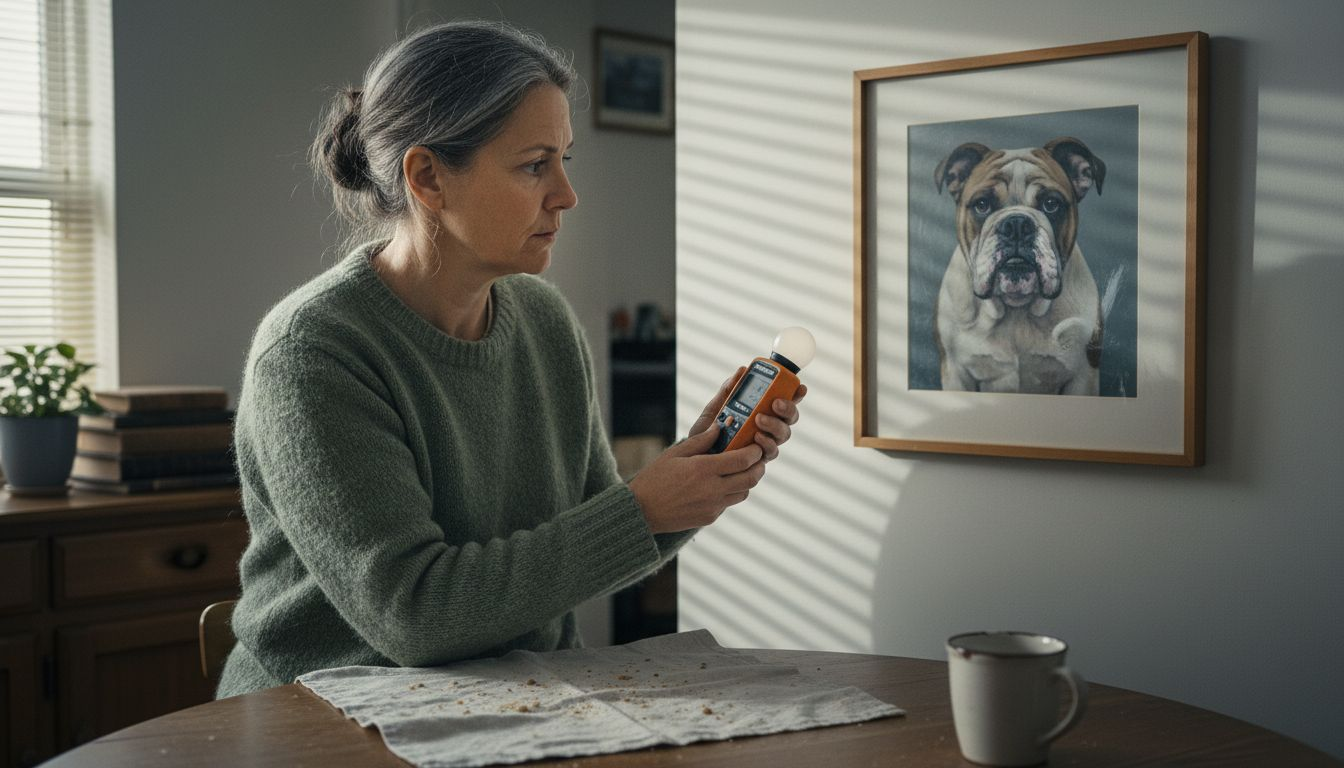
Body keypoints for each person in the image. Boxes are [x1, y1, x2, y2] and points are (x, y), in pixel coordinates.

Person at [216, 20, 805, 698]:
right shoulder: (312, 354)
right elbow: (413, 616)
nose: (566, 195)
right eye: (534, 165)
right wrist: (641, 511)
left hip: (515, 703)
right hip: (325, 719)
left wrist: (698, 477)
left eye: (564, 160)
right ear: (428, 177)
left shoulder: (545, 322)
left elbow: (589, 534)